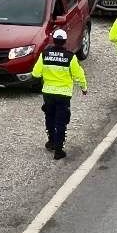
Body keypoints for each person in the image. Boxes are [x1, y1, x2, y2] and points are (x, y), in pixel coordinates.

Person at [31, 29, 88, 160]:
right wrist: (84, 88)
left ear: (54, 40)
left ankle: (51, 141)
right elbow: (78, 75)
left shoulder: (45, 55)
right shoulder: (70, 57)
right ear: (65, 41)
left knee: (49, 118)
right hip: (63, 95)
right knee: (61, 122)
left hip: (48, 93)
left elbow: (36, 73)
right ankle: (58, 150)